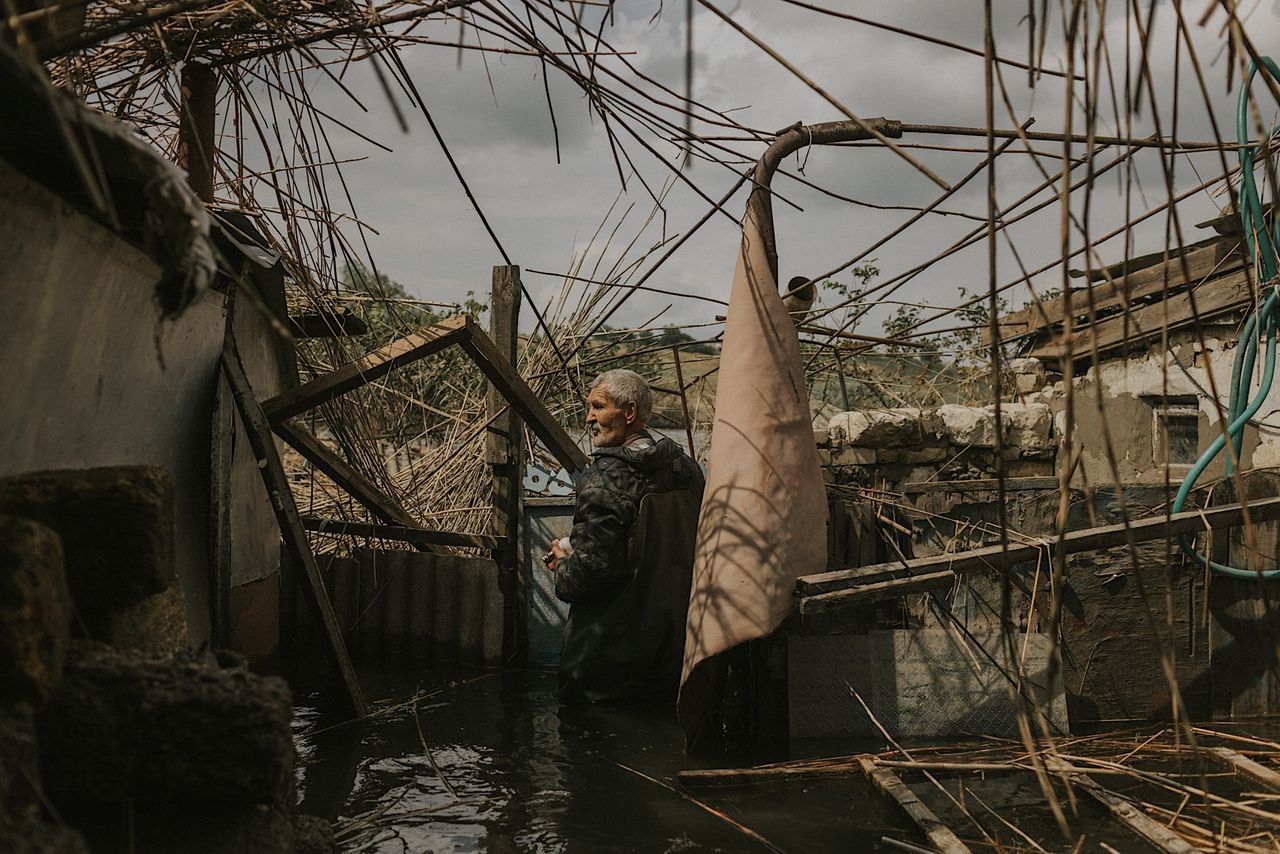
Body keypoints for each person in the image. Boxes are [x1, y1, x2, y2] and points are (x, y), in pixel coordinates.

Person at [548, 369, 705, 702]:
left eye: (599, 407)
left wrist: (562, 566)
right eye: (589, 408)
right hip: (671, 659)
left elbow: (590, 575)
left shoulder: (604, 478)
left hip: (605, 667)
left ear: (629, 413)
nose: (589, 417)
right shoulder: (687, 470)